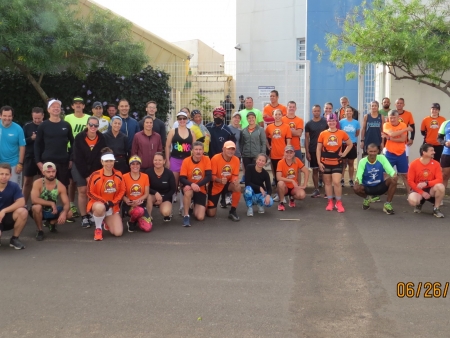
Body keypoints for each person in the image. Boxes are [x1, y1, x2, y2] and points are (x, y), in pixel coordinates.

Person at [72, 116, 107, 228]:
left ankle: (92, 213)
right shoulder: (79, 138)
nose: (93, 127)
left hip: (95, 169)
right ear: (87, 125)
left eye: (96, 125)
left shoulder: (102, 138)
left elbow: (100, 157)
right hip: (79, 166)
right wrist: (87, 175)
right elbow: (78, 158)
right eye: (91, 124)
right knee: (83, 190)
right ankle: (84, 216)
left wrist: (93, 175)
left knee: (94, 192)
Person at [86, 148, 126, 241]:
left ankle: (106, 222)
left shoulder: (119, 174)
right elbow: (89, 192)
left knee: (118, 233)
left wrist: (112, 202)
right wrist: (104, 202)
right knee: (100, 208)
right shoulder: (95, 175)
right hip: (98, 204)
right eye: (106, 161)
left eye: (111, 161)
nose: (109, 163)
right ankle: (98, 228)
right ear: (102, 162)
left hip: (112, 206)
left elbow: (122, 191)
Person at [317, 114, 352, 212]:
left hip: (337, 162)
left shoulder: (341, 133)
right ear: (327, 122)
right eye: (330, 121)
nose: (332, 123)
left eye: (333, 121)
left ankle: (339, 202)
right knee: (327, 183)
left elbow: (350, 144)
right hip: (325, 162)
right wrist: (319, 162)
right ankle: (330, 202)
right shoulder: (323, 134)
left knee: (336, 182)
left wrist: (344, 154)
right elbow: (318, 149)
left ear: (336, 122)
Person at [34, 99, 74, 188]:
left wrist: (71, 158)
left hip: (63, 162)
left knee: (64, 188)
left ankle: (65, 203)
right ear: (48, 110)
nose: (56, 108)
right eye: (53, 107)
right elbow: (37, 144)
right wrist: (38, 162)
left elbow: (73, 142)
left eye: (58, 107)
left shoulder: (66, 125)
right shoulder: (43, 125)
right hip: (48, 161)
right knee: (48, 190)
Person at [30, 162, 72, 240]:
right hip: (40, 211)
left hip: (53, 211)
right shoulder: (37, 183)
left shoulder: (60, 185)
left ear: (56, 172)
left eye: (53, 171)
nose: (51, 174)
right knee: (37, 207)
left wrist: (64, 213)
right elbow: (34, 200)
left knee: (69, 213)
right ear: (43, 172)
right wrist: (51, 203)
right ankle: (40, 230)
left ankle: (51, 223)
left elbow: (66, 203)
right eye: (48, 172)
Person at [353, 143, 398, 214]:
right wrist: (357, 183)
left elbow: (390, 170)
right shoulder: (362, 161)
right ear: (367, 151)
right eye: (371, 151)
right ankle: (367, 199)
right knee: (356, 187)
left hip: (380, 186)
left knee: (393, 180)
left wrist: (394, 175)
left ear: (378, 151)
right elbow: (358, 176)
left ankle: (387, 204)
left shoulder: (382, 158)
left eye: (374, 151)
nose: (373, 153)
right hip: (367, 188)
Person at [65, 96, 90, 219]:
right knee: (71, 181)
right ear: (72, 106)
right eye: (76, 104)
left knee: (85, 184)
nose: (78, 105)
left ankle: (87, 209)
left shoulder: (88, 118)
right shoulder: (67, 118)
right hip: (71, 151)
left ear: (84, 106)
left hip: (85, 151)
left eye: (80, 103)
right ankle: (71, 203)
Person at [166, 111, 196, 213]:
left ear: (187, 120)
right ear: (177, 120)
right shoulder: (173, 131)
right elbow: (167, 146)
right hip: (174, 159)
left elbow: (195, 148)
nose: (182, 120)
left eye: (184, 118)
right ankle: (169, 208)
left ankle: (183, 207)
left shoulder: (191, 132)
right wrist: (167, 160)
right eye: (180, 119)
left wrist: (194, 162)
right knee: (173, 184)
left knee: (185, 185)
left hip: (186, 161)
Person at [407, 143, 445, 218]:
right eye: (431, 151)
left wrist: (427, 183)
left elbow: (439, 180)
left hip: (431, 189)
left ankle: (436, 209)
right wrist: (422, 193)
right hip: (418, 190)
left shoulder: (436, 164)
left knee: (441, 187)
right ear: (424, 152)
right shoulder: (414, 164)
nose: (434, 152)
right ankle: (419, 204)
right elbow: (410, 181)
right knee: (413, 201)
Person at [207, 141, 242, 221]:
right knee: (211, 214)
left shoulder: (236, 159)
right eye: (228, 149)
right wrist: (219, 180)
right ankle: (204, 205)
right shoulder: (215, 158)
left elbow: (235, 175)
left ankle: (233, 211)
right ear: (223, 149)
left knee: (237, 187)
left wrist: (234, 181)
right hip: (216, 185)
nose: (231, 151)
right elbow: (211, 176)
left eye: (233, 149)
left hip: (227, 184)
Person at [179, 142, 212, 226]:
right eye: (196, 149)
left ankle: (192, 205)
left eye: (200, 149)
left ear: (203, 151)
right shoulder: (186, 161)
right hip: (189, 187)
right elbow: (182, 178)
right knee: (188, 192)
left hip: (200, 188)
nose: (198, 152)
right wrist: (191, 184)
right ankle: (186, 215)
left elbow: (208, 177)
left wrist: (197, 185)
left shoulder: (207, 159)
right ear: (192, 151)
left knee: (200, 217)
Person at [383, 109, 413, 193]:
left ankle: (410, 194)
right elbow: (392, 134)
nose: (392, 120)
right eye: (390, 118)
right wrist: (406, 129)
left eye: (394, 118)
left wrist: (389, 138)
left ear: (398, 117)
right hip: (389, 153)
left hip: (401, 153)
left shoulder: (403, 124)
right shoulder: (386, 125)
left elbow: (402, 139)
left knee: (405, 175)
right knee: (384, 173)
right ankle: (378, 193)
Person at [0, 163, 28, 249]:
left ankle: (14, 239)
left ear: (10, 175)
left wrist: (4, 211)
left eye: (7, 174)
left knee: (23, 212)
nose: (4, 176)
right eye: (1, 174)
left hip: (7, 217)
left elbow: (21, 202)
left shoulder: (14, 186)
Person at [266, 109, 292, 199]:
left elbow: (288, 141)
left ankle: (287, 193)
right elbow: (265, 137)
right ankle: (279, 194)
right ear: (273, 116)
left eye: (279, 114)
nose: (277, 116)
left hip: (283, 155)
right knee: (277, 176)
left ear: (282, 115)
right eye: (276, 114)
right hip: (274, 154)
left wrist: (287, 153)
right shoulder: (269, 127)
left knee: (285, 174)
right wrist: (268, 146)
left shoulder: (286, 127)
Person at [122, 156, 152, 232]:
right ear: (130, 165)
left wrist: (138, 200)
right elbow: (121, 193)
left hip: (140, 203)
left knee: (147, 228)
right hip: (129, 204)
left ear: (140, 165)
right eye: (133, 164)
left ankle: (137, 219)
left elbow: (146, 193)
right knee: (138, 211)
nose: (135, 166)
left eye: (137, 164)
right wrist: (126, 200)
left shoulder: (145, 176)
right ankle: (131, 222)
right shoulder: (124, 177)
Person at [144, 152, 176, 222]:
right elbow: (145, 187)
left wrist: (162, 198)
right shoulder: (148, 172)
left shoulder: (169, 173)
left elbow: (173, 189)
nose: (157, 162)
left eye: (160, 160)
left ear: (164, 161)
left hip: (165, 196)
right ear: (153, 161)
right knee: (149, 197)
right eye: (155, 160)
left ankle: (168, 210)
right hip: (153, 195)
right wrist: (155, 193)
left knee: (166, 212)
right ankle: (148, 217)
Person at [305, 105, 328, 198]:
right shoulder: (309, 124)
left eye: (318, 111)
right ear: (312, 112)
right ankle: (316, 189)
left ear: (320, 111)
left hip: (324, 150)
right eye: (315, 111)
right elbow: (307, 139)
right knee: (315, 170)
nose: (316, 112)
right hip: (313, 149)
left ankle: (327, 190)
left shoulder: (325, 122)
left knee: (324, 170)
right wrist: (307, 152)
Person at [276, 145, 309, 211]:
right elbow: (278, 177)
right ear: (284, 153)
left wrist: (304, 184)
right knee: (280, 183)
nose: (289, 154)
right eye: (287, 152)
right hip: (285, 187)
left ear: (294, 153)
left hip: (294, 187)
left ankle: (292, 198)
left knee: (302, 195)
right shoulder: (281, 162)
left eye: (291, 152)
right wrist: (291, 180)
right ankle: (281, 202)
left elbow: (306, 171)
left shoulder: (297, 160)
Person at [22, 107, 44, 204]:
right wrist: (31, 138)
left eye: (39, 118)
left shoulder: (46, 125)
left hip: (43, 157)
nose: (37, 120)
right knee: (27, 182)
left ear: (43, 116)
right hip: (30, 157)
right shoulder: (27, 126)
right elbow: (21, 141)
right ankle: (23, 204)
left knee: (41, 182)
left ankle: (38, 205)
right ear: (32, 116)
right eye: (35, 118)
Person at [0, 106, 26, 186]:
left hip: (14, 165)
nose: (7, 118)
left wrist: (20, 163)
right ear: (0, 115)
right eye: (4, 116)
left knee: (15, 189)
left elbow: (22, 146)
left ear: (12, 116)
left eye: (9, 116)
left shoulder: (18, 129)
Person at [240, 111, 266, 186]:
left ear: (255, 118)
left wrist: (262, 155)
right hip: (246, 155)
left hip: (256, 155)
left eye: (252, 117)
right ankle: (248, 189)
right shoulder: (244, 130)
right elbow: (242, 143)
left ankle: (257, 189)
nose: (251, 119)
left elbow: (263, 142)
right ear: (247, 119)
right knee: (248, 173)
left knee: (256, 172)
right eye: (249, 118)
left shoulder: (260, 130)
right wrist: (242, 152)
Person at [339, 106, 360, 187]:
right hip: (343, 144)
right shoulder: (341, 122)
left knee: (351, 163)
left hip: (352, 144)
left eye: (350, 111)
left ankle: (351, 179)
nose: (348, 112)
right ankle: (342, 179)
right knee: (343, 163)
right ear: (344, 112)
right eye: (347, 111)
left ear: (352, 112)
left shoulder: (356, 122)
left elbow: (357, 133)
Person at [228, 112, 242, 186]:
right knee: (227, 172)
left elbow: (240, 143)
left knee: (235, 173)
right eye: (235, 117)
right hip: (228, 154)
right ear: (232, 119)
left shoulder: (240, 131)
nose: (236, 119)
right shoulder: (227, 128)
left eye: (238, 118)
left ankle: (233, 191)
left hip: (237, 154)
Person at [438, 116, 450, 190]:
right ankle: (441, 198)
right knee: (444, 176)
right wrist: (445, 143)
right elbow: (439, 138)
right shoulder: (445, 123)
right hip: (447, 153)